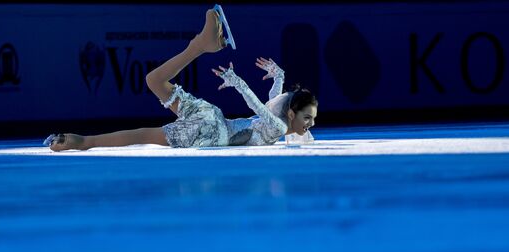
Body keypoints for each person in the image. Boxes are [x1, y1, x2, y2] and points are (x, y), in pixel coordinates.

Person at [44, 4, 317, 152]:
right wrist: (265, 79)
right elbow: (266, 107)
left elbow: (267, 107)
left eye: (311, 119)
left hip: (212, 121)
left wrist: (258, 81)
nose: (311, 123)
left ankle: (201, 45)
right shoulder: (279, 126)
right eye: (308, 117)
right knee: (144, 128)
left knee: (153, 83)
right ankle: (83, 142)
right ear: (292, 113)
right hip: (211, 131)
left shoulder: (279, 123)